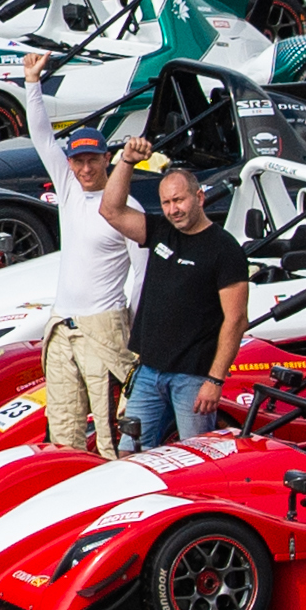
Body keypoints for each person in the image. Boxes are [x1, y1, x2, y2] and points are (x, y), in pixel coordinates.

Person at [20, 51, 139, 455]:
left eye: (93, 160)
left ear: (108, 159)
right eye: (78, 160)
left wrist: (134, 330)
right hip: (61, 326)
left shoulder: (128, 207)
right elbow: (40, 135)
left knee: (109, 432)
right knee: (64, 430)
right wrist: (32, 84)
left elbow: (139, 276)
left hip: (104, 327)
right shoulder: (68, 188)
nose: (85, 169)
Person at [99, 136, 250, 451]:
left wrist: (215, 381)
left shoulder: (224, 249)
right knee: (130, 453)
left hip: (193, 380)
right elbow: (110, 210)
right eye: (166, 203)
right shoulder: (160, 231)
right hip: (149, 371)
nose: (173, 210)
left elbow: (236, 320)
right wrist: (126, 161)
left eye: (179, 200)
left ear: (199, 197)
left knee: (193, 457)